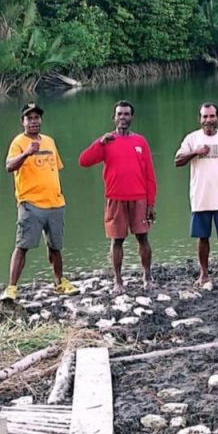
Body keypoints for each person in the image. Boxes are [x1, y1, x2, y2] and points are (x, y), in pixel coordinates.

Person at [1, 102, 79, 302]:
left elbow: (55, 168)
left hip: (54, 203)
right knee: (22, 245)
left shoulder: (49, 141)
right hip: (30, 203)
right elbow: (9, 166)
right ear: (23, 121)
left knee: (55, 246)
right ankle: (11, 288)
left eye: (36, 118)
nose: (34, 121)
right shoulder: (18, 142)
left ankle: (59, 282)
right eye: (29, 118)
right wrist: (26, 153)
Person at [78, 100, 157, 294]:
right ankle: (118, 281)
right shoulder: (107, 141)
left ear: (132, 117)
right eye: (119, 114)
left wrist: (150, 203)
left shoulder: (140, 141)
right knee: (117, 240)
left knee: (143, 238)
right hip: (115, 197)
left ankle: (147, 277)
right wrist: (99, 143)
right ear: (113, 117)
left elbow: (150, 175)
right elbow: (84, 161)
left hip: (139, 197)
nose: (123, 117)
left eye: (126, 114)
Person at [174, 102, 218, 289]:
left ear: (217, 118)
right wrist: (196, 152)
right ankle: (204, 275)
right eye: (205, 116)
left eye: (212, 116)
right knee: (202, 238)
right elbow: (177, 161)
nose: (208, 120)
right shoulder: (192, 139)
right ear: (199, 119)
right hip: (201, 198)